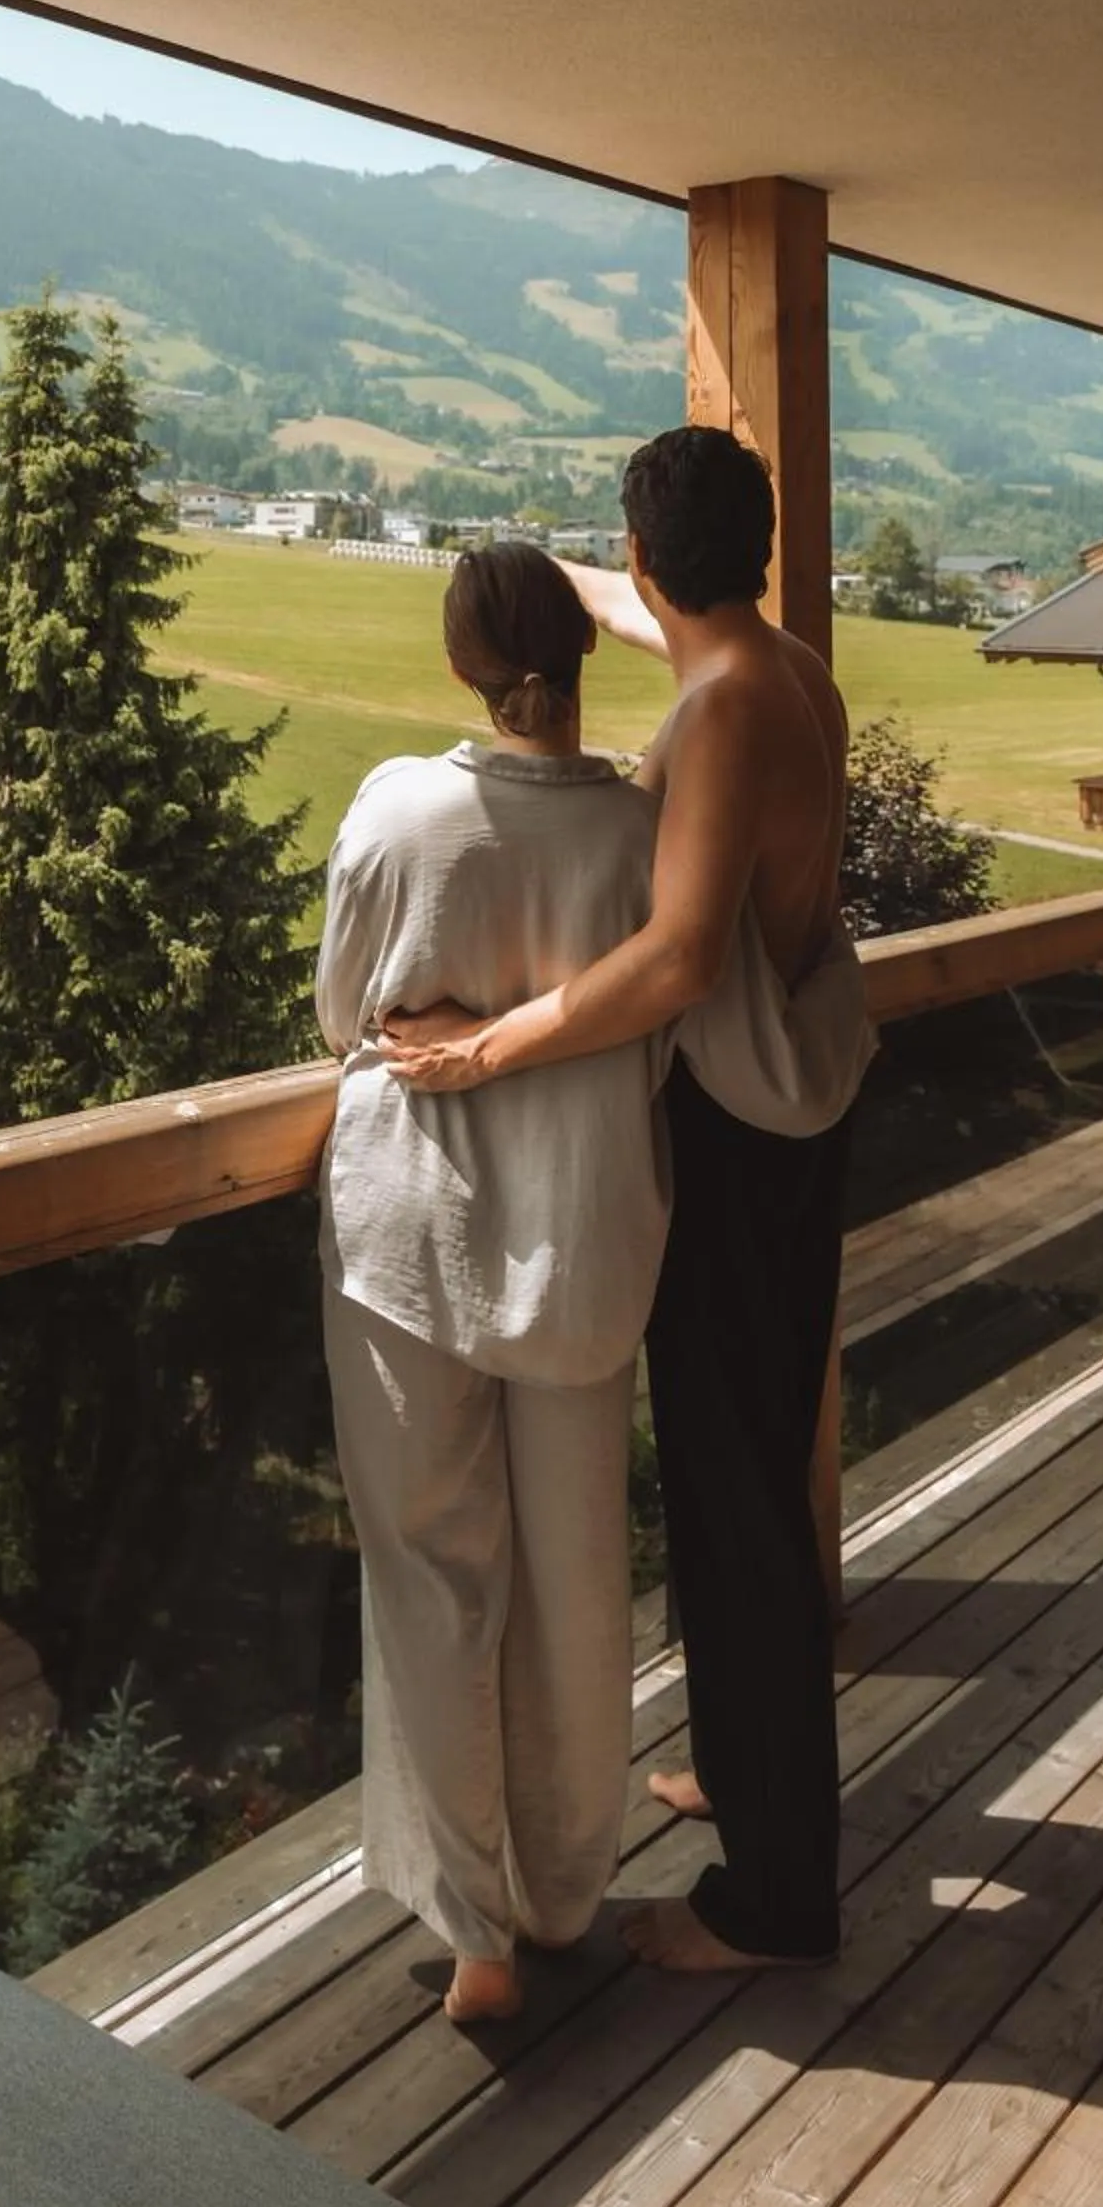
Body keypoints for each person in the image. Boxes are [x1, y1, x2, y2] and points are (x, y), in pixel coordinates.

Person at [383, 427, 873, 1977]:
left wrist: (494, 1045)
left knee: (735, 1502)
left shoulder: (724, 715)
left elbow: (671, 958)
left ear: (653, 555)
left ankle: (776, 1896)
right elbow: (659, 606)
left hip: (738, 1141)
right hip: (802, 1114)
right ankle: (740, 1773)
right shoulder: (786, 664)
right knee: (753, 1459)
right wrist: (569, 579)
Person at [316, 542, 667, 2024]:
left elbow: (347, 1012)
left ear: (464, 657)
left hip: (411, 1236)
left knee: (433, 1575)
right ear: (577, 654)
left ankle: (476, 1938)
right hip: (584, 1241)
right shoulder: (647, 831)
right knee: (581, 1577)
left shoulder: (401, 810)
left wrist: (467, 1014)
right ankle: (568, 1888)